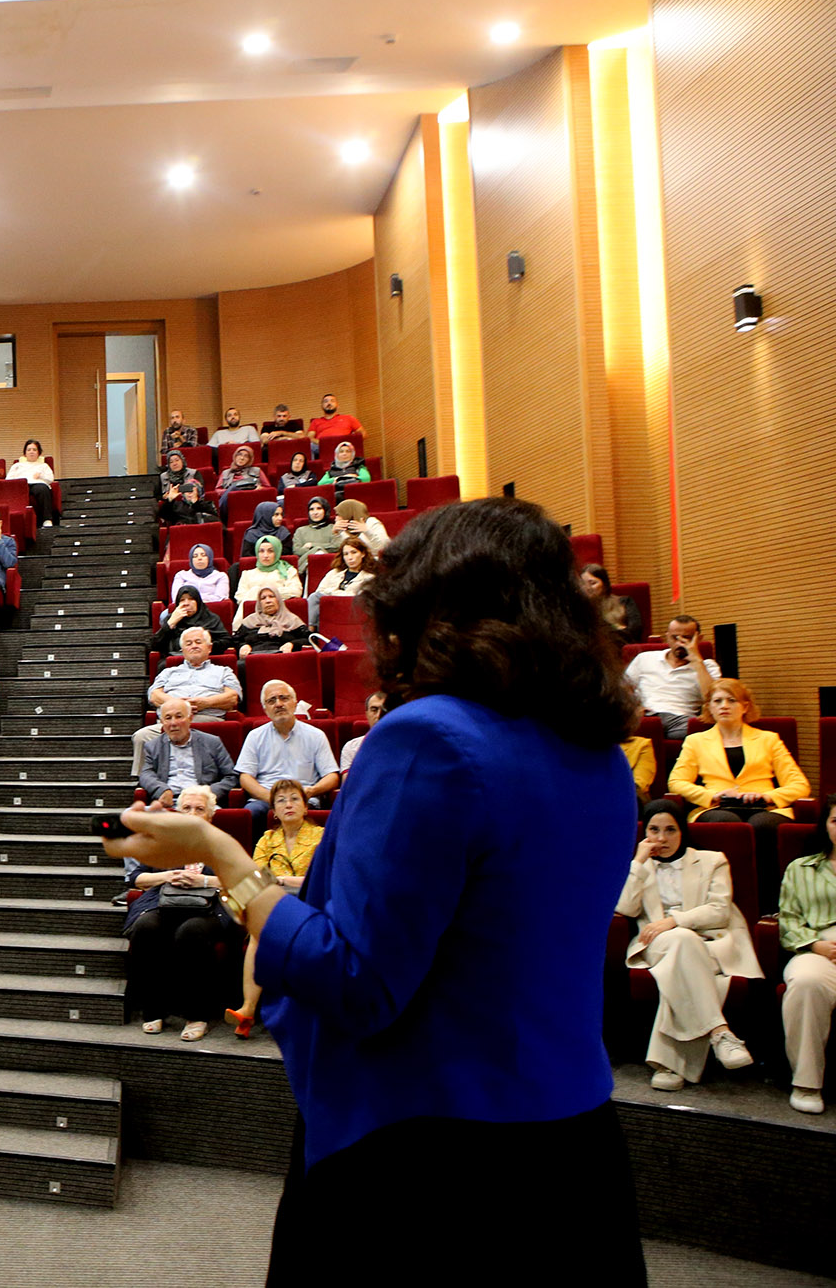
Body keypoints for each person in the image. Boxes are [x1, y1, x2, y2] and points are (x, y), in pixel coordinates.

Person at [105, 496, 647, 1283]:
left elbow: (354, 980)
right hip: (573, 1148)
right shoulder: (600, 755)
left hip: (426, 1159)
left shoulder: (430, 738)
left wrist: (225, 857)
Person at [614, 799, 760, 1090]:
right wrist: (639, 862)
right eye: (654, 830)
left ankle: (670, 1066)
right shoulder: (639, 867)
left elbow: (719, 911)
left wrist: (674, 921)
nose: (662, 838)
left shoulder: (712, 860)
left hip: (709, 943)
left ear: (682, 831)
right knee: (681, 946)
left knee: (681, 966)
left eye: (670, 830)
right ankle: (720, 1032)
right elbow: (624, 908)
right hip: (655, 945)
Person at [669, 679, 809, 894]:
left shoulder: (769, 739)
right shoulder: (695, 741)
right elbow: (676, 782)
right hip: (717, 807)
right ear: (710, 708)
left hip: (764, 807)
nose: (724, 706)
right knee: (725, 822)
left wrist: (769, 796)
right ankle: (722, 895)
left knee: (763, 824)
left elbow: (800, 785)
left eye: (731, 700)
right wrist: (712, 795)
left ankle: (771, 897)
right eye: (718, 701)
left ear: (745, 706)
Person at [125, 784, 235, 1040]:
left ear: (210, 816)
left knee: (191, 932)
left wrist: (204, 882)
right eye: (186, 808)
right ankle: (154, 1010)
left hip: (210, 909)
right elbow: (136, 878)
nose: (192, 813)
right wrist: (167, 875)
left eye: (199, 809)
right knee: (146, 927)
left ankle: (198, 1015)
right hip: (164, 902)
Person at [227, 779, 323, 1038]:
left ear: (305, 808)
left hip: (310, 904)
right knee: (259, 930)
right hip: (274, 906)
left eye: (294, 799)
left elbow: (322, 879)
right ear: (274, 812)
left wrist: (281, 880)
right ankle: (247, 1010)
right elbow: (254, 878)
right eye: (281, 801)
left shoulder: (321, 836)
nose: (288, 804)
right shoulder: (267, 839)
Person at [775, 797, 836, 1115]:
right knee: (807, 981)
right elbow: (788, 921)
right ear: (825, 827)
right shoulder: (801, 869)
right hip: (817, 949)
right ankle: (807, 1083)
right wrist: (815, 945)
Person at [133, 629, 242, 771]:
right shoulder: (168, 672)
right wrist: (178, 706)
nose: (193, 646)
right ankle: (145, 785)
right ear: (182, 649)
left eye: (198, 642)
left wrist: (205, 703)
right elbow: (154, 695)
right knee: (141, 736)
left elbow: (233, 697)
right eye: (188, 643)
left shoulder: (223, 671)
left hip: (205, 721)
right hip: (170, 721)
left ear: (209, 647)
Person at [237, 681, 339, 828]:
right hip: (266, 800)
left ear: (295, 703)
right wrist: (270, 797)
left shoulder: (315, 735)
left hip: (304, 798)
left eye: (284, 698)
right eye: (271, 701)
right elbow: (245, 777)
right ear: (265, 709)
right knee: (250, 814)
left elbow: (332, 776)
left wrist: (311, 791)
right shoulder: (255, 736)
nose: (278, 704)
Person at [622, 615, 718, 739]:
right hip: (646, 715)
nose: (680, 643)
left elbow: (712, 699)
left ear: (699, 639)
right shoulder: (645, 658)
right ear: (667, 637)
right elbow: (623, 690)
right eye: (675, 637)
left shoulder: (708, 666)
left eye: (687, 638)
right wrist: (634, 707)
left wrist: (697, 662)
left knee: (700, 737)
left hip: (681, 720)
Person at [137, 699, 236, 808]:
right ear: (162, 722)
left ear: (190, 718)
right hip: (168, 803)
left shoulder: (212, 742)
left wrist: (208, 792)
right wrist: (162, 790)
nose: (173, 723)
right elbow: (146, 774)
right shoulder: (153, 746)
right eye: (168, 718)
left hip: (202, 803)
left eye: (179, 717)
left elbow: (231, 776)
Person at [233, 534, 302, 625]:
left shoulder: (288, 571)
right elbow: (240, 597)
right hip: (253, 617)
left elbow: (296, 591)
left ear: (277, 552)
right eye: (261, 551)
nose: (265, 555)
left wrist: (268, 593)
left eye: (270, 551)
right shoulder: (247, 574)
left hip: (280, 615)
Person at [308, 538, 376, 628]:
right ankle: (310, 631)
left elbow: (357, 597)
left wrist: (332, 593)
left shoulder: (369, 577)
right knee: (314, 597)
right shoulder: (334, 573)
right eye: (346, 554)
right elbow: (320, 591)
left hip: (351, 612)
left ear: (363, 554)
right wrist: (338, 594)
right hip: (330, 611)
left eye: (354, 552)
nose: (350, 558)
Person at [151, 585, 230, 656]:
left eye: (191, 599)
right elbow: (155, 646)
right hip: (176, 659)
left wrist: (203, 646)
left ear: (198, 602)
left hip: (205, 658)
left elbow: (226, 641)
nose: (186, 603)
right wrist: (170, 624)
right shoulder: (170, 619)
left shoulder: (211, 619)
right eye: (182, 600)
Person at [236, 586, 313, 656]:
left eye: (271, 596)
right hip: (253, 658)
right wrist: (243, 646)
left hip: (283, 658)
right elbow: (235, 640)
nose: (268, 601)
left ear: (278, 600)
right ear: (259, 603)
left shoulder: (292, 619)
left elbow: (310, 639)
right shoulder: (250, 621)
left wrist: (292, 644)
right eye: (263, 598)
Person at [578, 564, 643, 645]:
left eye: (592, 583)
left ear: (605, 585)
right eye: (583, 584)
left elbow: (635, 631)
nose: (587, 588)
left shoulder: (625, 601)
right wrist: (618, 630)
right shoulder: (579, 609)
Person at [8, 438, 60, 527]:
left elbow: (50, 479)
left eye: (34, 450)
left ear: (38, 453)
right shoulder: (17, 466)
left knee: (43, 489)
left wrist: (41, 476)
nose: (31, 452)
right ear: (25, 453)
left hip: (38, 485)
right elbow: (8, 480)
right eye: (29, 450)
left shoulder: (43, 465)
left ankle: (46, 519)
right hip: (21, 485)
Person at [213, 445, 269, 519]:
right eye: (240, 455)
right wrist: (230, 492)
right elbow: (217, 491)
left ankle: (218, 516)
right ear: (235, 456)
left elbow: (269, 488)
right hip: (232, 500)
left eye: (246, 456)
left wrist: (260, 488)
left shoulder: (256, 471)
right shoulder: (225, 473)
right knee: (233, 488)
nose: (242, 458)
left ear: (250, 459)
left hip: (250, 497)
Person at [339, 691, 386, 779]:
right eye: (374, 710)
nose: (379, 715)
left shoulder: (406, 746)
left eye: (384, 710)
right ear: (366, 714)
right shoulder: (351, 748)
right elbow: (349, 786)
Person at [307, 393, 365, 457]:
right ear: (322, 406)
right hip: (323, 446)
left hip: (343, 446)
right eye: (326, 401)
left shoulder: (348, 418)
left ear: (337, 405)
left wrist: (348, 442)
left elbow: (363, 434)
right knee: (309, 446)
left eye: (332, 401)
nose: (329, 403)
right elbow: (309, 438)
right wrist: (322, 442)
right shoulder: (316, 421)